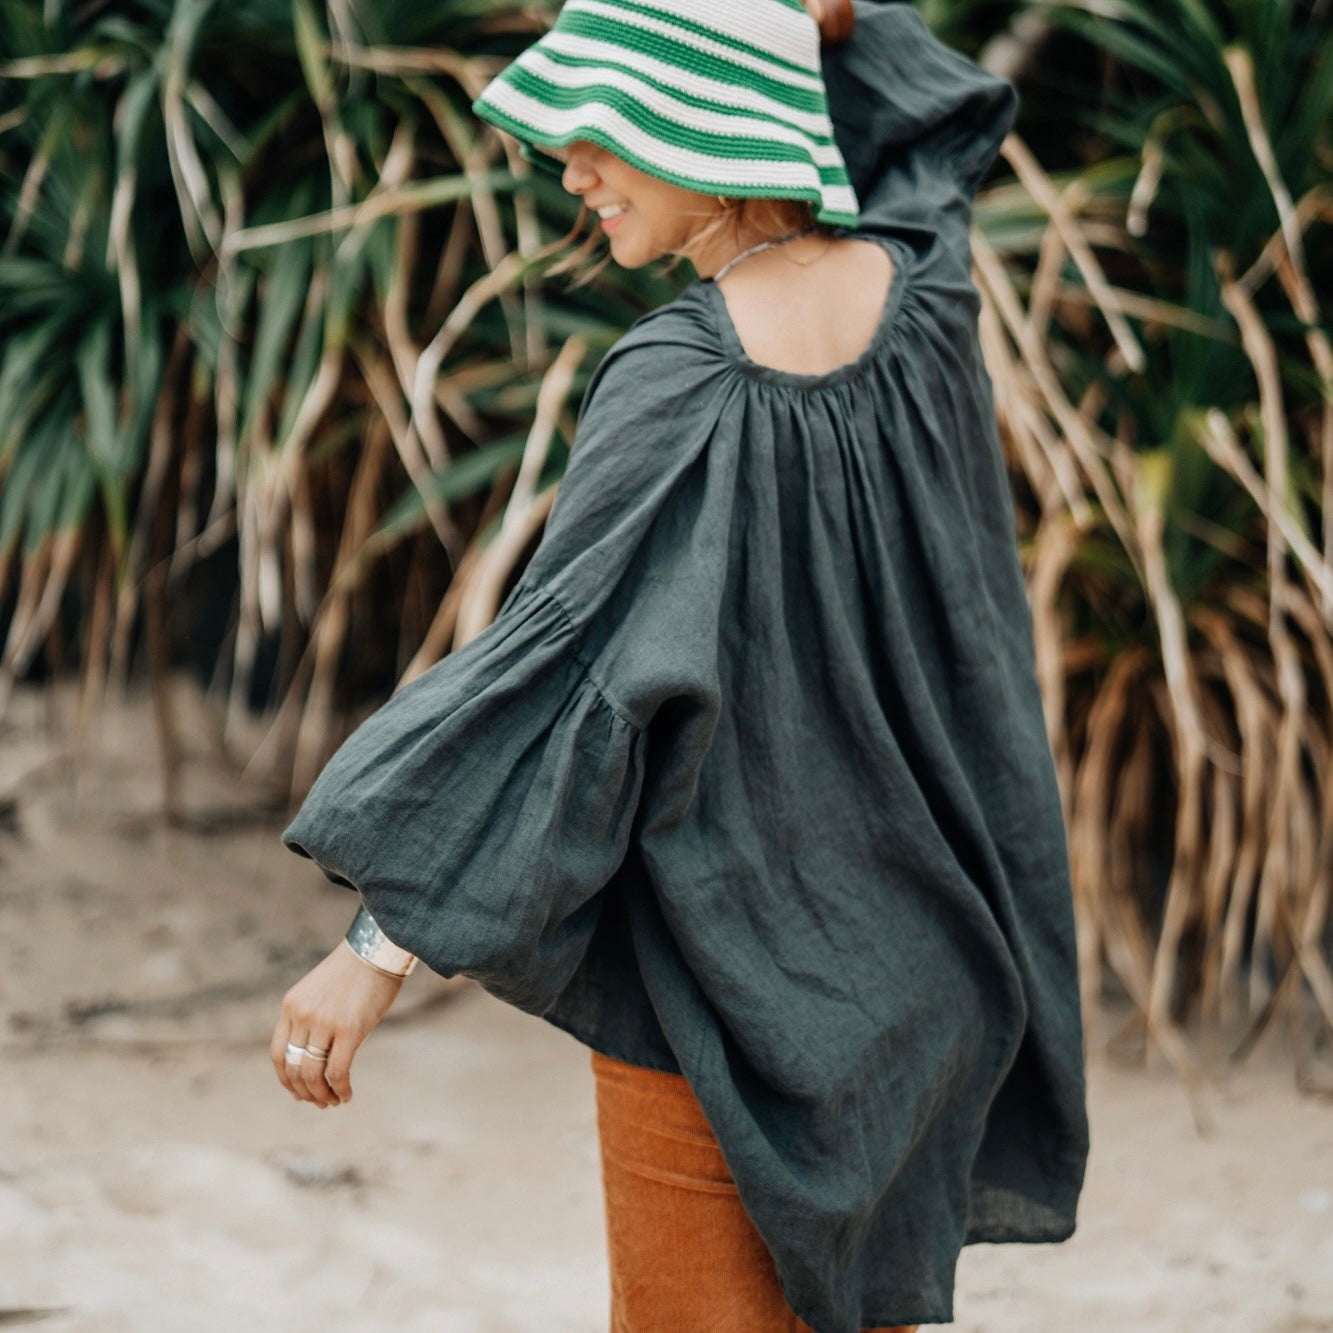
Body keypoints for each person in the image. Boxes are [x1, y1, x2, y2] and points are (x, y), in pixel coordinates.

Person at [269, 1, 1089, 1329]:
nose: (569, 172)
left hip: (729, 985)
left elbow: (567, 687)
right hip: (923, 969)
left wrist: (375, 947)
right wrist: (828, 20)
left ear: (704, 134)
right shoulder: (926, 290)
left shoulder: (677, 378)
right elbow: (937, 122)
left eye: (600, 136)